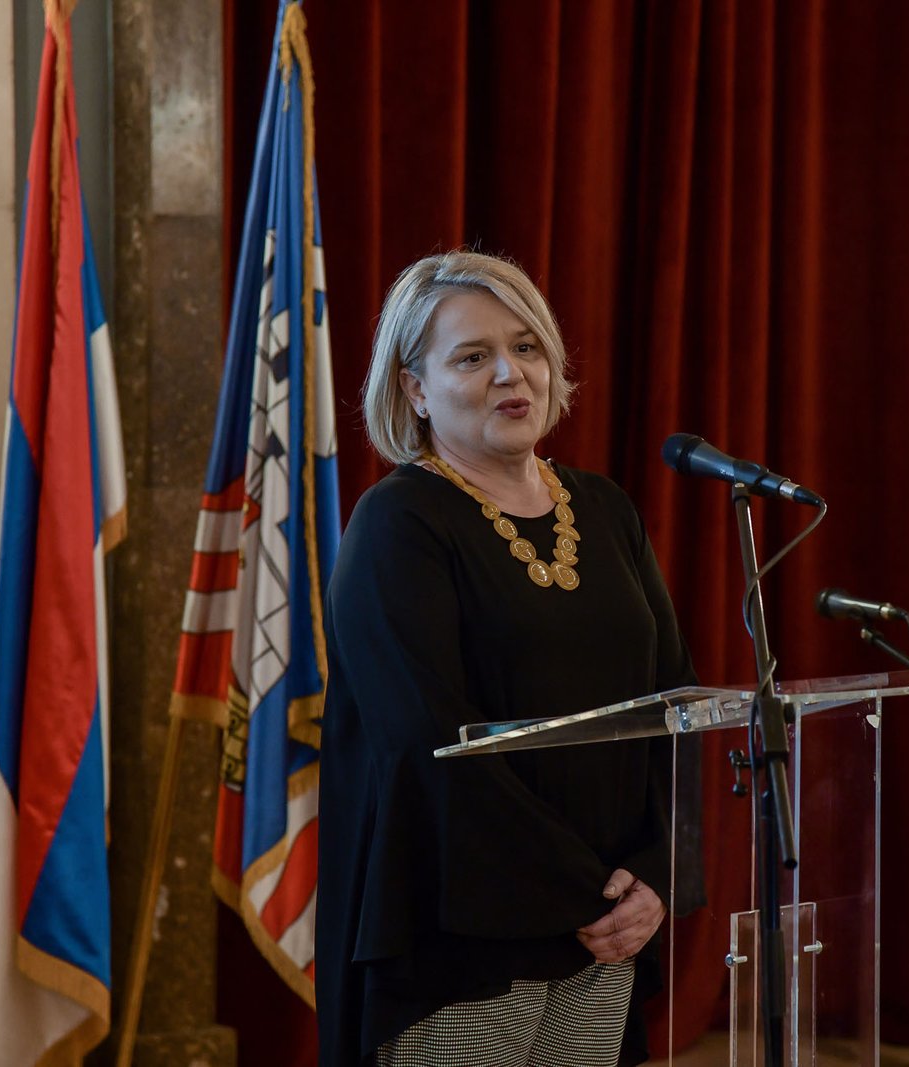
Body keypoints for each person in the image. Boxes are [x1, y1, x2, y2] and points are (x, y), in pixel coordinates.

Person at [316, 249, 697, 1067]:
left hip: (610, 925)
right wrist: (586, 889)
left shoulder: (605, 509)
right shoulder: (397, 525)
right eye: (472, 356)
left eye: (527, 347)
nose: (509, 373)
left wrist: (657, 872)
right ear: (415, 389)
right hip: (464, 937)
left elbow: (676, 706)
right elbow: (429, 744)